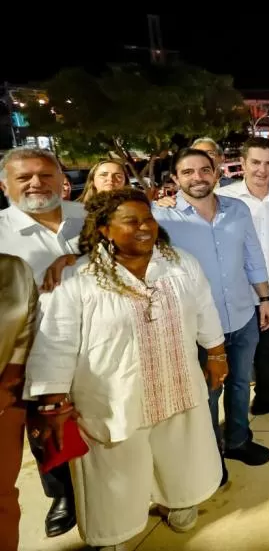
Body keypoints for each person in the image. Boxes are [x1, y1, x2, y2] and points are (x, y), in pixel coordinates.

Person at [24, 189, 227, 549]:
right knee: (114, 473)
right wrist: (52, 402)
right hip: (113, 398)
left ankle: (180, 502)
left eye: (147, 218)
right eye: (130, 221)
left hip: (175, 384)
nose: (143, 227)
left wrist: (215, 353)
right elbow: (55, 341)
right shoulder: (78, 278)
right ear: (104, 229)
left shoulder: (180, 263)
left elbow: (204, 310)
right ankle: (114, 534)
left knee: (181, 454)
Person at [152, 148, 269, 471]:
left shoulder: (237, 210)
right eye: (188, 172)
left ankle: (238, 440)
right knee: (206, 393)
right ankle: (209, 458)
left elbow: (253, 256)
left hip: (243, 314)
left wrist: (264, 299)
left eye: (204, 170)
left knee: (238, 384)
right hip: (198, 327)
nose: (198, 178)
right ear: (175, 178)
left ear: (216, 172)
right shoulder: (160, 217)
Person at [0, 147, 81, 537]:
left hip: (96, 344)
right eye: (24, 177)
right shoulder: (1, 233)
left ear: (60, 179)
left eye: (45, 175)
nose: (36, 183)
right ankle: (62, 494)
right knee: (45, 429)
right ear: (5, 185)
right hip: (31, 351)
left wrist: (74, 259)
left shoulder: (86, 217)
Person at [217, 137, 269, 418]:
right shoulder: (225, 198)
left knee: (265, 352)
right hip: (236, 294)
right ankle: (232, 421)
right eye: (255, 162)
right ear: (243, 163)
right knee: (236, 363)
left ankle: (265, 397)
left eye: (268, 163)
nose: (262, 170)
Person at [0, 254, 37, 551]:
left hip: (4, 401)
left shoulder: (13, 269)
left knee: (2, 498)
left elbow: (27, 331)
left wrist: (9, 382)